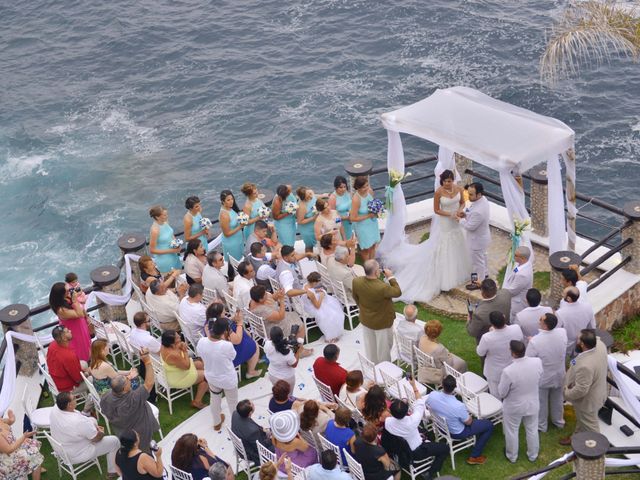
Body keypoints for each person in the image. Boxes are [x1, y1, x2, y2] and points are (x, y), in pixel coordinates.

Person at [101, 348, 160, 452]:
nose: (129, 379)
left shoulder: (105, 396)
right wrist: (147, 361)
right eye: (128, 380)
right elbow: (149, 383)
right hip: (139, 432)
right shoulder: (133, 399)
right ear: (124, 388)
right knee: (145, 455)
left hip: (121, 429)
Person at [50, 391, 120, 479]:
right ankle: (112, 472)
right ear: (69, 405)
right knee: (114, 441)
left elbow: (84, 423)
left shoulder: (55, 408)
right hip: (77, 453)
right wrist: (101, 433)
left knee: (92, 420)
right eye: (74, 399)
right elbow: (96, 439)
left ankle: (92, 428)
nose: (76, 398)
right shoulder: (78, 421)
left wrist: (92, 427)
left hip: (62, 446)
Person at [427, 375, 494, 465]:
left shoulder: (432, 395)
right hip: (457, 432)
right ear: (455, 387)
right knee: (489, 425)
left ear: (442, 385)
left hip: (440, 426)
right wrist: (468, 416)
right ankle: (474, 456)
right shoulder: (458, 406)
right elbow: (469, 422)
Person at [384, 386, 449, 479]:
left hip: (401, 450)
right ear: (407, 410)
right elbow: (420, 402)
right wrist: (413, 385)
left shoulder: (388, 422)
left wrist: (403, 405)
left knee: (426, 433)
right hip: (417, 452)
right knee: (445, 448)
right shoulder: (412, 420)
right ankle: (430, 473)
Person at [497, 340, 543, 463]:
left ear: (512, 353)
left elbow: (502, 392)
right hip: (533, 403)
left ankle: (512, 456)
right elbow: (540, 376)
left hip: (514, 407)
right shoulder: (537, 362)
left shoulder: (508, 371)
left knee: (512, 431)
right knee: (532, 429)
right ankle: (533, 454)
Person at [560, 329, 608, 444]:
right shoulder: (600, 345)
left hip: (588, 403)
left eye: (578, 339)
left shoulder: (585, 366)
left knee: (592, 428)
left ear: (582, 344)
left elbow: (581, 389)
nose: (576, 340)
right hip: (598, 392)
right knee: (582, 420)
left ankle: (598, 452)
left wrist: (566, 394)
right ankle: (575, 438)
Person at [352, 260, 401, 364]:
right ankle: (385, 369)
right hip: (382, 323)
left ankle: (372, 363)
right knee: (384, 349)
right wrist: (391, 277)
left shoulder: (356, 281)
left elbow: (355, 298)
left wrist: (363, 309)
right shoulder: (382, 287)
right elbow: (397, 292)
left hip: (366, 319)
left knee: (370, 346)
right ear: (376, 272)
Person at [526, 313, 568, 432]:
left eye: (541, 320)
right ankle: (559, 422)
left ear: (545, 326)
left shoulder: (535, 341)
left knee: (541, 402)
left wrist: (531, 341)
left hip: (543, 377)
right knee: (558, 400)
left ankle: (542, 426)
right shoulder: (562, 333)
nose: (539, 320)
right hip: (559, 374)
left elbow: (528, 359)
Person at [197, 317, 239, 431]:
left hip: (211, 376)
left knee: (214, 399)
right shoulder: (226, 345)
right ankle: (237, 425)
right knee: (233, 403)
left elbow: (200, 352)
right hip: (227, 379)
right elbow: (233, 356)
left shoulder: (202, 341)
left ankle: (216, 422)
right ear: (224, 331)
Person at [206, 303, 261, 378]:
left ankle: (251, 359)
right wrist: (240, 323)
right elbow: (237, 340)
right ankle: (250, 372)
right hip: (230, 354)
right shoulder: (223, 327)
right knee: (254, 345)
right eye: (223, 312)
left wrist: (232, 319)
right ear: (219, 314)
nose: (225, 312)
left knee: (248, 336)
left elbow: (225, 321)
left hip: (220, 348)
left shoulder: (210, 321)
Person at [45, 325, 92, 413]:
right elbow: (78, 379)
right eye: (67, 331)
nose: (70, 330)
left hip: (56, 379)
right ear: (63, 338)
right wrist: (87, 373)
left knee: (84, 364)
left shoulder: (52, 345)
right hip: (66, 388)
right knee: (91, 379)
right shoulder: (68, 356)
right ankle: (87, 411)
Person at [477, 311, 524, 396]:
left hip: (494, 372)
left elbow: (480, 352)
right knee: (512, 392)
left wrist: (491, 332)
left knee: (495, 396)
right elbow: (520, 340)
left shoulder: (487, 337)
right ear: (504, 317)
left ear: (492, 324)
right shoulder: (516, 329)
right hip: (512, 367)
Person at [160, 330, 209, 409]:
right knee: (207, 375)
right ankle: (197, 401)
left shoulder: (164, 345)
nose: (179, 336)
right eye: (177, 337)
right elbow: (187, 366)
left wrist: (179, 346)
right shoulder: (172, 355)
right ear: (172, 343)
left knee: (201, 364)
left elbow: (178, 353)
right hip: (179, 377)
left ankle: (205, 388)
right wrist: (184, 350)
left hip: (176, 370)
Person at [249, 285, 308, 350]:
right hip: (272, 329)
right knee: (299, 324)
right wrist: (282, 300)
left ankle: (294, 342)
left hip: (267, 323)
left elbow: (271, 298)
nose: (267, 294)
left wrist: (277, 294)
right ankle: (300, 349)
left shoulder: (254, 300)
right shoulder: (262, 310)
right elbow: (281, 316)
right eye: (265, 294)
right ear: (260, 299)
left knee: (294, 315)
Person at [457, 182, 491, 289]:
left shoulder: (479, 211)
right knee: (482, 257)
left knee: (477, 263)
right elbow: (473, 216)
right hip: (483, 236)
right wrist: (466, 215)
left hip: (476, 240)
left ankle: (478, 282)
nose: (469, 196)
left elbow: (470, 227)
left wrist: (460, 220)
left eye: (471, 194)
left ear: (479, 194)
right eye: (469, 193)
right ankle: (484, 274)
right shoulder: (483, 200)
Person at [49, 281, 91, 362]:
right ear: (61, 294)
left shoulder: (67, 298)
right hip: (74, 331)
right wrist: (75, 301)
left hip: (81, 326)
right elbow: (79, 314)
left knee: (86, 345)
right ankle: (83, 365)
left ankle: (88, 361)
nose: (70, 291)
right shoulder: (61, 310)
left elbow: (82, 306)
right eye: (68, 291)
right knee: (79, 349)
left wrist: (78, 295)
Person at [0, 408, 43, 480]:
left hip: (13, 449)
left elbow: (6, 422)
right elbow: (8, 450)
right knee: (35, 455)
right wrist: (24, 437)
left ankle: (33, 467)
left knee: (32, 445)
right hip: (8, 460)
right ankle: (32, 467)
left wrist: (11, 419)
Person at [302, 272, 345, 342]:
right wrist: (321, 296)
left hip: (308, 304)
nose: (318, 284)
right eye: (317, 283)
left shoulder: (305, 285)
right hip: (313, 307)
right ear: (314, 282)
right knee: (333, 314)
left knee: (332, 303)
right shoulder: (311, 294)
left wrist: (316, 290)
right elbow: (317, 306)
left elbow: (310, 292)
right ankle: (331, 336)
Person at [466, 278, 512, 344]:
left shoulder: (479, 314)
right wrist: (483, 286)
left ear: (482, 294)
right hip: (506, 333)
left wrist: (469, 320)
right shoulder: (506, 294)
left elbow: (472, 332)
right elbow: (498, 292)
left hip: (488, 342)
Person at [556, 286, 596, 358]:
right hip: (582, 344)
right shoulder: (588, 307)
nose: (562, 294)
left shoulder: (560, 313)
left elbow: (557, 332)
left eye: (564, 294)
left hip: (567, 346)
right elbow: (592, 326)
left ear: (568, 298)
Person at [231, 399, 274, 465]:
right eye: (253, 405)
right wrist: (271, 439)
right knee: (279, 444)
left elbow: (251, 423)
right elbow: (261, 450)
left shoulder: (235, 413)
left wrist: (263, 430)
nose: (254, 404)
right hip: (253, 454)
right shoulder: (253, 432)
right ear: (250, 413)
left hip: (245, 441)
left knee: (273, 430)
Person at [349, 176, 380, 261]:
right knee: (366, 249)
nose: (366, 188)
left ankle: (372, 264)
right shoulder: (356, 199)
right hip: (362, 226)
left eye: (367, 185)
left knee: (373, 244)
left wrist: (377, 211)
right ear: (358, 188)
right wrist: (368, 216)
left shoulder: (370, 191)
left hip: (372, 223)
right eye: (363, 187)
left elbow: (373, 203)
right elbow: (352, 218)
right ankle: (367, 267)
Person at [264, 325, 301, 391]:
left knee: (278, 393)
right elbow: (294, 364)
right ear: (282, 335)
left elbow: (277, 345)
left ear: (270, 337)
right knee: (288, 397)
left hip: (273, 375)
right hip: (286, 379)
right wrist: (298, 351)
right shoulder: (287, 352)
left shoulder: (267, 344)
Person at [148, 205, 182, 274]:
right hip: (165, 259)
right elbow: (152, 250)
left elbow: (171, 235)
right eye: (164, 215)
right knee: (171, 280)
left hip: (174, 254)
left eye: (167, 214)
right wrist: (172, 250)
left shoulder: (165, 222)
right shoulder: (155, 230)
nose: (167, 216)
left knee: (178, 274)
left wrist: (177, 245)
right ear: (157, 217)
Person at [503, 246, 534, 320]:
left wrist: (501, 293)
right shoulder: (523, 264)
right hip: (513, 290)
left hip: (517, 302)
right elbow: (515, 271)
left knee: (513, 318)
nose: (514, 256)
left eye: (516, 255)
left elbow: (513, 291)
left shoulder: (522, 275)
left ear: (522, 258)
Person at [219, 190, 245, 263]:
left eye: (232, 199)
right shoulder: (224, 215)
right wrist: (240, 227)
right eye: (228, 200)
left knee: (240, 259)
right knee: (234, 263)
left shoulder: (231, 208)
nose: (231, 201)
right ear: (223, 201)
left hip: (238, 239)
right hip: (231, 243)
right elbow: (226, 234)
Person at [328, 175, 353, 240]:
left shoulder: (347, 193)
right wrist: (346, 218)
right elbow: (332, 217)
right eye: (341, 187)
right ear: (336, 187)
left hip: (349, 222)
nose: (343, 189)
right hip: (340, 224)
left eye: (344, 187)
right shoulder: (333, 198)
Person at [296, 186, 319, 251]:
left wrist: (324, 195)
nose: (310, 196)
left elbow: (315, 197)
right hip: (307, 228)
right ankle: (310, 258)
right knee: (309, 245)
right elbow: (300, 221)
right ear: (303, 198)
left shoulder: (311, 192)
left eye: (309, 193)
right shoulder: (302, 206)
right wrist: (313, 218)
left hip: (316, 224)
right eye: (307, 195)